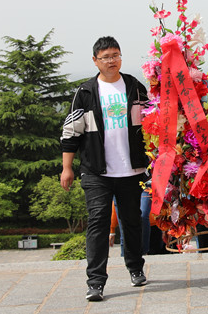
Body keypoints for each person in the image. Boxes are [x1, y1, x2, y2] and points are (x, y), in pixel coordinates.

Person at [60, 36, 149, 302]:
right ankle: (96, 282)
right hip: (96, 170)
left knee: (132, 221)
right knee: (98, 222)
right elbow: (71, 132)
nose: (112, 61)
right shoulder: (86, 92)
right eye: (106, 57)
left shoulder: (134, 87)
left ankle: (136, 268)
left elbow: (152, 122)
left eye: (115, 55)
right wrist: (67, 168)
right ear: (95, 60)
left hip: (131, 170)